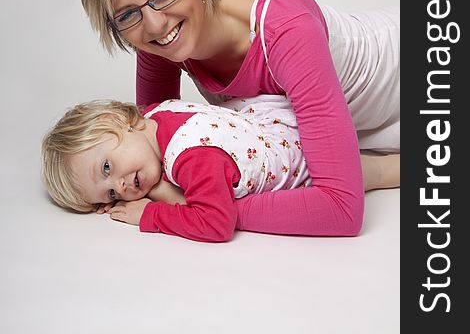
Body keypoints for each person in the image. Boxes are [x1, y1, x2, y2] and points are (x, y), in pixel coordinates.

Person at [76, 0, 400, 237]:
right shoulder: (160, 37)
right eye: (127, 15)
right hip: (354, 133)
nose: (155, 23)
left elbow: (340, 210)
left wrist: (203, 210)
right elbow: (154, 150)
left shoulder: (286, 30)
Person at [42, 96, 399, 243]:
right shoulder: (153, 115)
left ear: (118, 121)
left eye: (107, 166)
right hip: (285, 122)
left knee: (380, 172)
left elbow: (217, 223)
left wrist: (150, 213)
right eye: (110, 193)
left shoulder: (191, 158)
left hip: (306, 165)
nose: (121, 185)